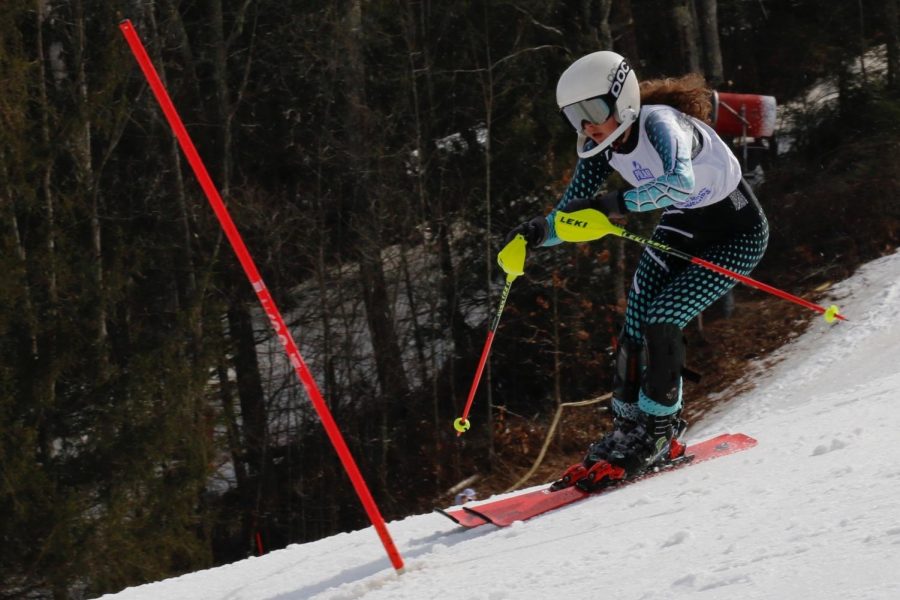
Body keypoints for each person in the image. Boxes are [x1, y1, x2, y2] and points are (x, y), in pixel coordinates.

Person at [505, 50, 768, 491]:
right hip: (684, 224)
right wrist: (536, 233)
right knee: (635, 318)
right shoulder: (598, 148)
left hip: (735, 232)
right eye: (575, 117)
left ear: (622, 99)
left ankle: (660, 432)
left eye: (593, 110)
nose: (587, 126)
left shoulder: (662, 124)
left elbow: (678, 184)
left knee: (663, 317)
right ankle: (629, 430)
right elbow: (571, 215)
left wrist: (612, 206)